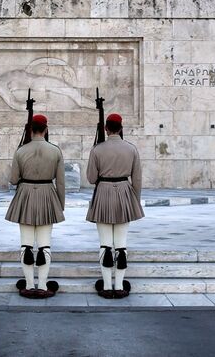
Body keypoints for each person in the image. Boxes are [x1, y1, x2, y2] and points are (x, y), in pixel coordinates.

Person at [5, 114, 66, 299]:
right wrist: (60, 205)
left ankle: (29, 285)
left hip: (25, 196)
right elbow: (61, 182)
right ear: (46, 129)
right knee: (44, 245)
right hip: (47, 195)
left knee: (26, 245)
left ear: (30, 130)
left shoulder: (21, 151)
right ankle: (43, 285)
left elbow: (13, 179)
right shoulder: (55, 151)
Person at [86, 113, 143, 299]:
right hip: (124, 193)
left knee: (105, 244)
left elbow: (91, 178)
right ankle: (119, 286)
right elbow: (137, 179)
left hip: (103, 192)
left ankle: (106, 285)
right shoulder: (131, 149)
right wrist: (134, 201)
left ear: (106, 129)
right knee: (121, 244)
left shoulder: (97, 150)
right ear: (121, 128)